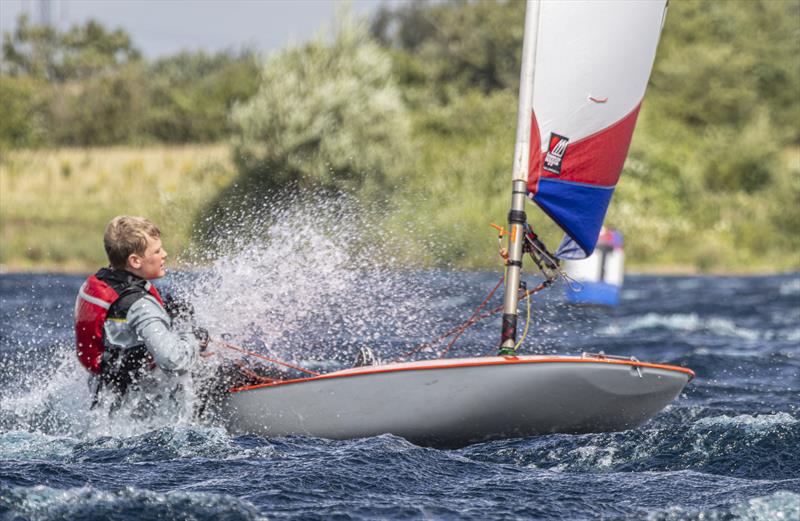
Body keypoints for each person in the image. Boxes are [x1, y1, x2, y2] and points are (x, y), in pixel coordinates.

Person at [74, 215, 208, 411]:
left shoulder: (102, 282)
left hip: (108, 395)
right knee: (214, 375)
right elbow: (173, 360)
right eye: (157, 251)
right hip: (141, 403)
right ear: (135, 261)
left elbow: (121, 318)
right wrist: (195, 340)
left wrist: (167, 310)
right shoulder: (141, 306)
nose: (165, 254)